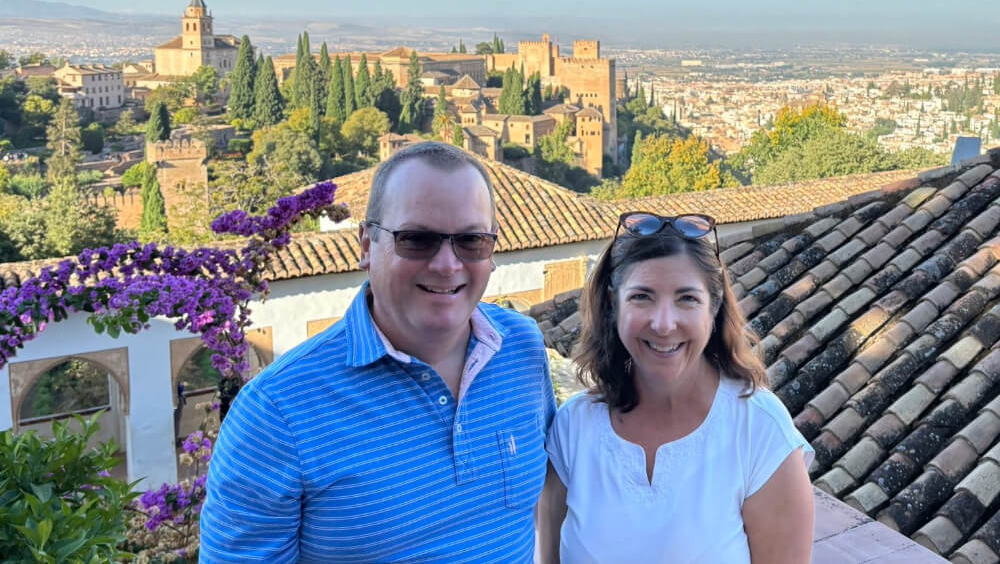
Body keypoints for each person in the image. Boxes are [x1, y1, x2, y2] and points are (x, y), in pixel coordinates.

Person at [200, 141, 556, 562]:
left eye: (471, 241)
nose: (447, 264)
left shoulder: (522, 347)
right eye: (417, 239)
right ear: (366, 245)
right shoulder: (276, 415)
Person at [537, 211, 814, 563]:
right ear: (612, 305)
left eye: (687, 299)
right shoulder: (573, 428)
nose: (664, 324)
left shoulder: (759, 430)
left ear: (713, 308)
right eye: (642, 297)